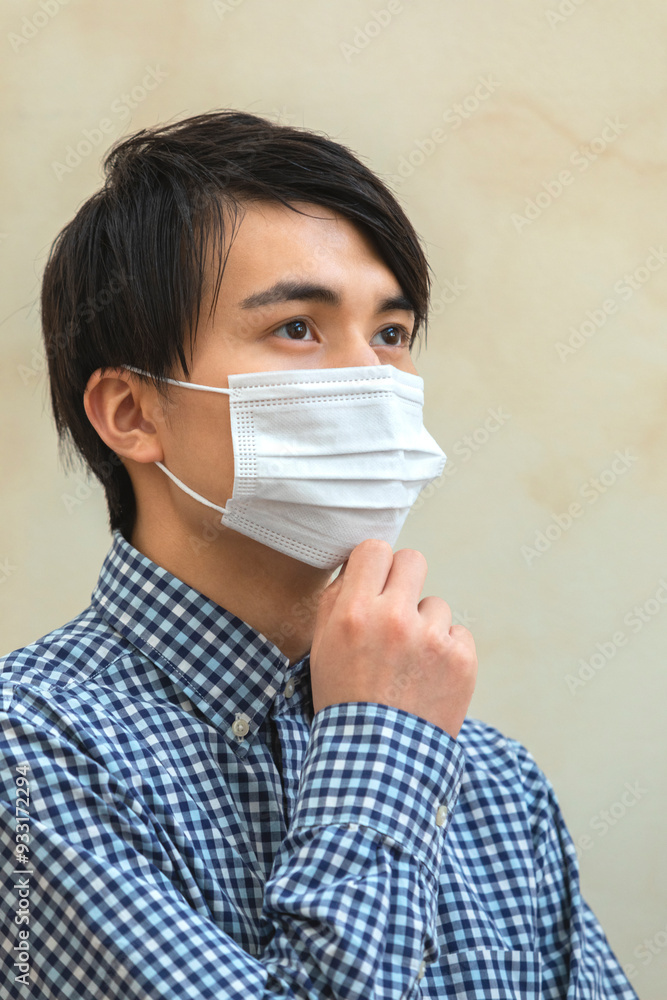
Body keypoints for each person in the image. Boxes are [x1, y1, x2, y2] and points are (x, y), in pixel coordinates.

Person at [0, 110, 637, 999]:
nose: (372, 380)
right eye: (298, 327)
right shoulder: (32, 757)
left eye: (390, 334)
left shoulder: (492, 782)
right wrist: (380, 745)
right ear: (132, 413)